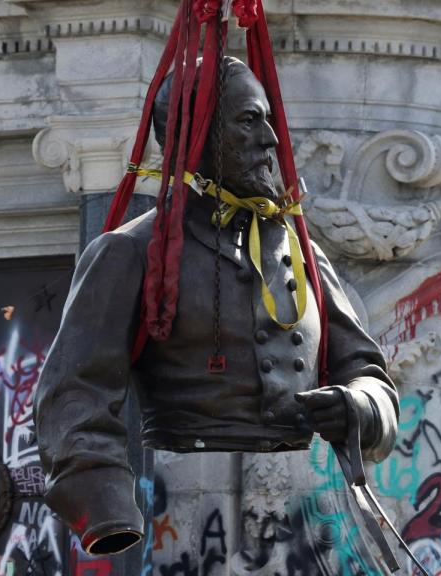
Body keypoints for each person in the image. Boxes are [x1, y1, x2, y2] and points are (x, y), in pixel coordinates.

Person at [33, 57, 400, 556]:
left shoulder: (301, 252)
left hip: (309, 518)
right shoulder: (131, 252)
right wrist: (109, 510)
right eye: (250, 120)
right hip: (178, 508)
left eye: (269, 120)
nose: (270, 139)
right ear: (196, 134)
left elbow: (369, 371)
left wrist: (358, 406)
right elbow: (73, 391)